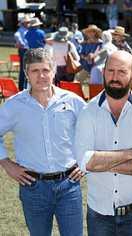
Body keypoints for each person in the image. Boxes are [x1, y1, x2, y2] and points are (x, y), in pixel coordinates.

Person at [75, 50, 132, 236]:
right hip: (99, 215)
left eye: (122, 72)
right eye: (110, 71)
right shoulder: (87, 111)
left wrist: (101, 161)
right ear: (103, 72)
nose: (114, 77)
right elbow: (84, 162)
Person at [0, 48, 86, 236]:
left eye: (46, 70)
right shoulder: (14, 106)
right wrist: (6, 164)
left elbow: (94, 132)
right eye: (35, 71)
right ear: (26, 74)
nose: (41, 76)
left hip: (69, 185)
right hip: (33, 187)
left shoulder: (72, 101)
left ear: (54, 71)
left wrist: (85, 162)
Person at [14, 15, 31, 91]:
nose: (28, 24)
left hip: (25, 50)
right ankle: (22, 88)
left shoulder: (25, 30)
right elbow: (16, 35)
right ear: (23, 23)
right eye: (27, 22)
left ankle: (25, 87)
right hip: (24, 50)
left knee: (26, 69)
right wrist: (22, 44)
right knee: (24, 70)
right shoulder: (21, 30)